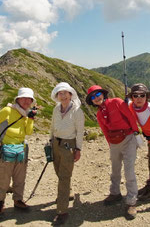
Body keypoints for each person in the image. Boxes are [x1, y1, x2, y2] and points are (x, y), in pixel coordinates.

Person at [85, 85, 141, 220]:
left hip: (128, 138)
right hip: (114, 142)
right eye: (93, 97)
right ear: (91, 101)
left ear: (103, 94)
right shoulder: (99, 114)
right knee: (115, 170)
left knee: (129, 171)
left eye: (98, 94)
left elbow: (130, 116)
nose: (96, 98)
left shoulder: (116, 102)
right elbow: (104, 130)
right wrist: (110, 145)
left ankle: (131, 202)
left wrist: (136, 133)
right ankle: (115, 193)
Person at [0, 87, 36, 215]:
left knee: (20, 178)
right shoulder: (7, 111)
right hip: (5, 149)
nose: (27, 101)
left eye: (29, 99)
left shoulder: (26, 114)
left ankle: (18, 200)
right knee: (3, 178)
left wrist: (31, 119)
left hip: (21, 150)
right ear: (18, 99)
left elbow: (29, 132)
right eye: (24, 98)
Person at [50, 82, 85, 225]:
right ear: (57, 96)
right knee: (59, 172)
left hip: (68, 145)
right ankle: (65, 194)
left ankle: (62, 210)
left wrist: (78, 149)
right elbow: (52, 126)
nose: (63, 95)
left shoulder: (77, 111)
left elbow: (80, 132)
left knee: (64, 176)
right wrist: (50, 141)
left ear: (71, 95)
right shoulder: (56, 109)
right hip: (55, 144)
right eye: (60, 93)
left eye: (65, 93)